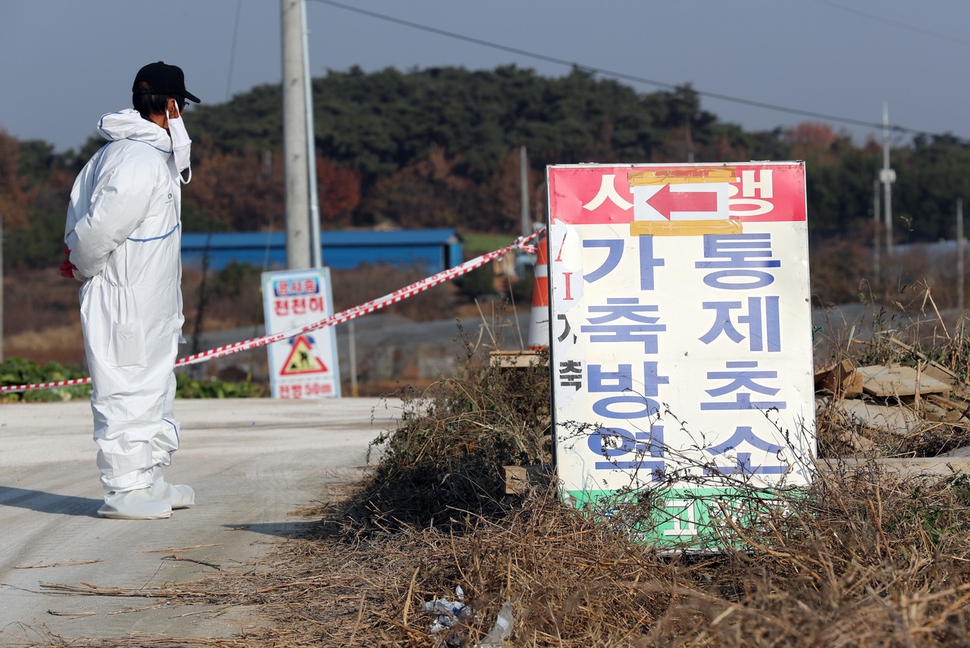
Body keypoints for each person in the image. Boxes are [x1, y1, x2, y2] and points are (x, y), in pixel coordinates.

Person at [63, 62, 200, 520]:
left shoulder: (150, 155)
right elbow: (98, 232)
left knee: (154, 387)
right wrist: (85, 268)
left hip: (148, 297)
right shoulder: (136, 160)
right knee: (125, 388)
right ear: (170, 106)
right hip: (124, 297)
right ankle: (124, 491)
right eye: (181, 106)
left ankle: (149, 478)